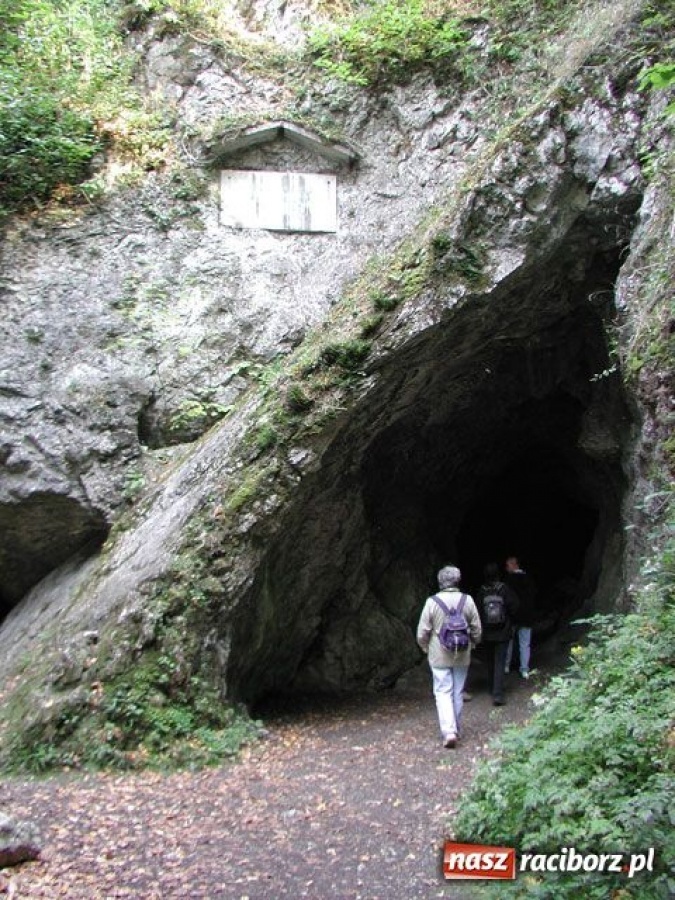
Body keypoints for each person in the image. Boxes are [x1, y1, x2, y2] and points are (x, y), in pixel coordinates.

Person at [417, 565, 482, 748]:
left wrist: (425, 647)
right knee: (457, 691)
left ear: (440, 582)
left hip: (438, 654)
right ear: (457, 580)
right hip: (462, 653)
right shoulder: (467, 600)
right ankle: (457, 729)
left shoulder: (432, 602)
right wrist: (474, 643)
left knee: (442, 691)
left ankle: (449, 731)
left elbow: (422, 631)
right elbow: (476, 628)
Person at [477, 562, 519, 705]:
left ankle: (491, 687)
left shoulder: (482, 591)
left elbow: (477, 610)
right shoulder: (504, 589)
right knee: (500, 662)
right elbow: (514, 607)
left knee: (490, 661)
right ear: (498, 574)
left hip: (487, 633)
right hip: (503, 632)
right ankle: (498, 694)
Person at [503, 555, 537, 678]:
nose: (506, 568)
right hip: (526, 616)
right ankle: (524, 669)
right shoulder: (529, 579)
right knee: (525, 644)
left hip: (512, 617)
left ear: (514, 565)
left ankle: (506, 666)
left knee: (508, 642)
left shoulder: (508, 580)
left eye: (508, 565)